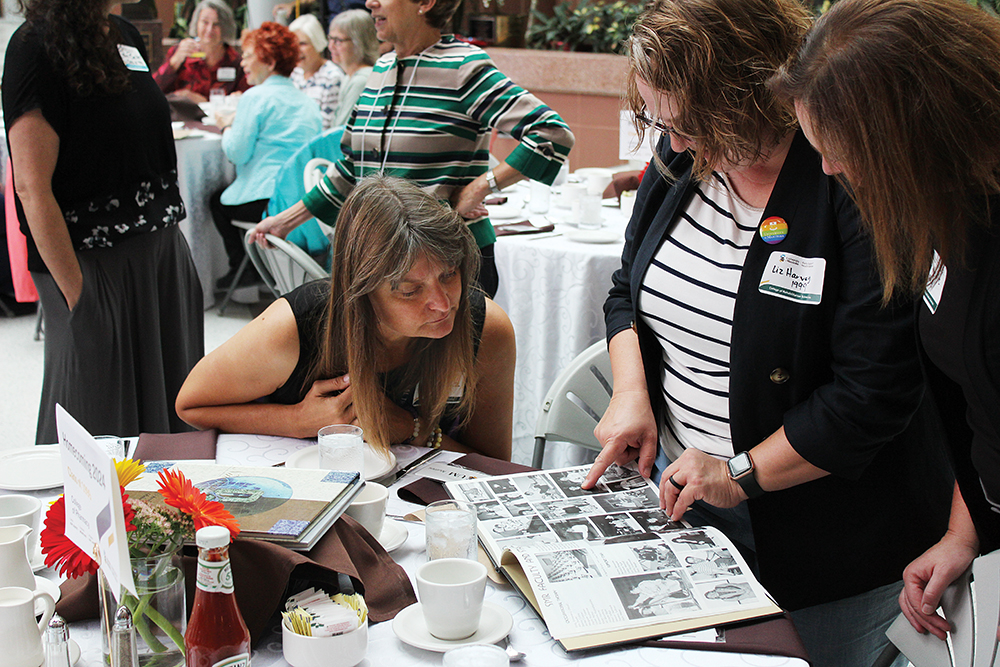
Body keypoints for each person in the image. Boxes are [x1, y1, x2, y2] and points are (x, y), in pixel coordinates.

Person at [579, 1, 952, 665]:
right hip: (688, 505)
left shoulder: (848, 171)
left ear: (756, 92)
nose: (679, 143)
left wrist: (740, 472)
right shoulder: (679, 157)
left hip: (827, 542)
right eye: (665, 125)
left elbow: (873, 392)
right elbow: (625, 293)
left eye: (691, 124)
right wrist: (632, 392)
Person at [770, 0, 1000, 645]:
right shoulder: (946, 213)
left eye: (840, 150)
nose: (829, 171)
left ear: (914, 135)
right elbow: (975, 413)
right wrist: (966, 530)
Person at [251, 0, 575, 298]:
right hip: (381, 258)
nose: (369, 2)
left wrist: (480, 187)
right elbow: (352, 167)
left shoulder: (462, 66)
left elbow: (551, 133)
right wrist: (286, 220)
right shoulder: (381, 69)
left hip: (446, 265)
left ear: (425, 3)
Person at [177, 175, 515, 460]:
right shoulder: (298, 325)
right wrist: (297, 420)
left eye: (449, 275)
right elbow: (190, 406)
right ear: (361, 290)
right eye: (410, 291)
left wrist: (413, 431)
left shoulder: (484, 328)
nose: (442, 304)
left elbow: (492, 465)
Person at [3, 0, 204, 443]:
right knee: (95, 425)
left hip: (161, 258)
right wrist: (81, 297)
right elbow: (31, 188)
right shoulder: (33, 46)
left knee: (174, 421)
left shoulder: (124, 34)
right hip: (90, 265)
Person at [210, 22, 323, 290]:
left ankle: (243, 267)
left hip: (265, 201)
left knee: (216, 202)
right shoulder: (307, 102)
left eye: (248, 56)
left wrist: (226, 126)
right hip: (301, 203)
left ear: (269, 61)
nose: (242, 63)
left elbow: (236, 153)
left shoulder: (255, 97)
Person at [153, 0, 248, 103]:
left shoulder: (235, 62)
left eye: (216, 24)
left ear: (226, 28)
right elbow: (153, 90)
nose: (209, 29)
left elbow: (247, 98)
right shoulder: (181, 53)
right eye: (205, 22)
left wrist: (204, 102)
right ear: (196, 23)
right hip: (185, 117)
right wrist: (175, 61)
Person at [289, 14, 344, 130]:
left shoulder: (332, 76)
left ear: (317, 42)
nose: (297, 50)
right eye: (293, 44)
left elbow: (326, 125)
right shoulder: (294, 73)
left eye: (303, 44)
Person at [326, 9, 379, 128]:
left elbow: (341, 131)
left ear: (359, 42)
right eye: (330, 39)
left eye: (338, 41)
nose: (331, 46)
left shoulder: (361, 80)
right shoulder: (349, 76)